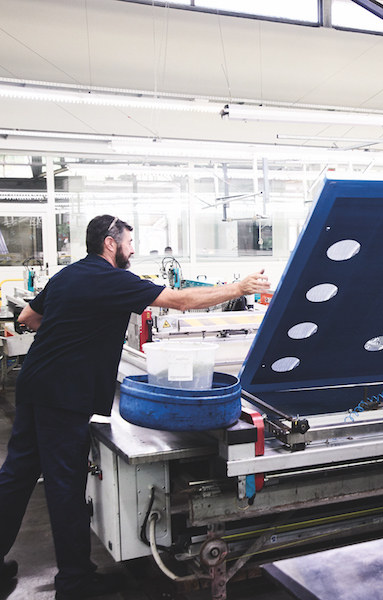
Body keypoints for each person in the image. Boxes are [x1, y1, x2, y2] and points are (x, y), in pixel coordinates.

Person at [0, 215, 270, 599]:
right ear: (110, 243)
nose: (132, 249)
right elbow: (180, 301)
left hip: (34, 385)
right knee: (63, 488)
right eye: (129, 241)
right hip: (64, 397)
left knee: (16, 476)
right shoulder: (112, 279)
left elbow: (28, 318)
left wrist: (70, 328)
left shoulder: (68, 274)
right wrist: (240, 286)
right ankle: (75, 583)